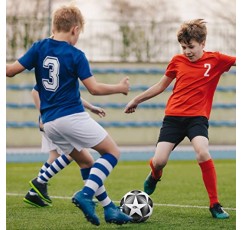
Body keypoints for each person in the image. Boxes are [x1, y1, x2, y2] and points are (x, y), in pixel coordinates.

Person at [6, 4, 132, 226]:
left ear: (54, 27)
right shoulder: (76, 55)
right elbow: (93, 88)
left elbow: (10, 71)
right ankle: (84, 195)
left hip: (50, 124)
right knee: (112, 152)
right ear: (75, 29)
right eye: (79, 34)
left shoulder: (39, 47)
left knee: (86, 162)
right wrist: (119, 87)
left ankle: (109, 209)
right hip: (72, 117)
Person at [124, 19, 236, 219]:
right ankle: (155, 175)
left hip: (197, 119)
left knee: (202, 152)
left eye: (191, 47)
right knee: (159, 161)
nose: (187, 51)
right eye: (183, 47)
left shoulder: (217, 59)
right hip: (173, 118)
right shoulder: (177, 61)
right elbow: (160, 86)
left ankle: (215, 204)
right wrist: (136, 99)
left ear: (203, 43)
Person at [24, 86, 108, 208]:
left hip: (55, 118)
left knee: (56, 157)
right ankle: (40, 182)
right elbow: (35, 91)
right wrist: (42, 116)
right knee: (75, 155)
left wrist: (90, 107)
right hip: (56, 119)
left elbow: (72, 96)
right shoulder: (57, 68)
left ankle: (33, 193)